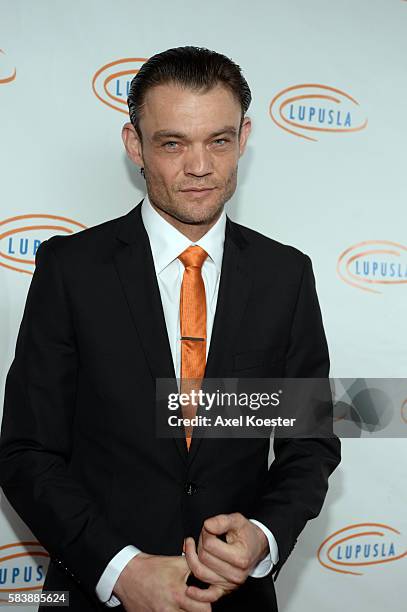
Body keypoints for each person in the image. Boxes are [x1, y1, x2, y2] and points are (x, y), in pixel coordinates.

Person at [0, 46, 341, 611]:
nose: (200, 166)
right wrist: (121, 570)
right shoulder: (72, 270)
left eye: (220, 140)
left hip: (236, 597)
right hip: (91, 593)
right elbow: (27, 451)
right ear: (135, 144)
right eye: (173, 142)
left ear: (245, 137)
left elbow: (309, 442)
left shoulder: (286, 276)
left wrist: (263, 536)